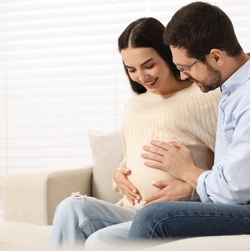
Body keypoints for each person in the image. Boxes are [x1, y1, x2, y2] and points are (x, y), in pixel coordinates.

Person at [126, 1, 250, 242]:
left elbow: (232, 190)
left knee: (155, 219)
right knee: (103, 233)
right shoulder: (237, 88)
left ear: (215, 57)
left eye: (186, 67)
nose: (183, 76)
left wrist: (187, 171)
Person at [47, 17, 220, 249]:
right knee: (71, 207)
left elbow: (231, 167)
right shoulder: (134, 105)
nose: (142, 76)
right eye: (131, 69)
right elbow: (132, 159)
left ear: (168, 54)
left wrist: (193, 188)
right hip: (130, 210)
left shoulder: (205, 98)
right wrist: (119, 175)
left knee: (99, 241)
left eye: (149, 65)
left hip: (175, 214)